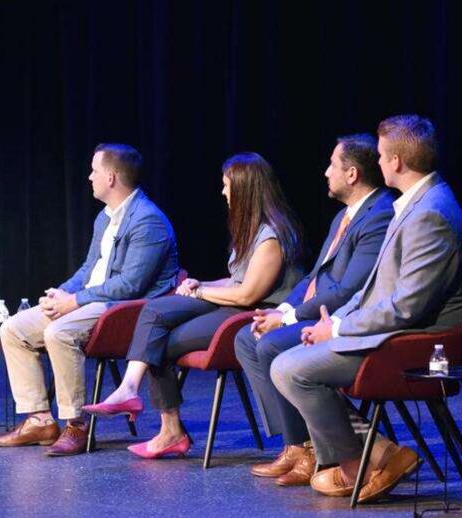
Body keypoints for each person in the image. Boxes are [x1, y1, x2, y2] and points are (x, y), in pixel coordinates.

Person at [271, 115, 462, 504]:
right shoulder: (417, 203)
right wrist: (337, 321)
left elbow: (407, 307)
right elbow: (376, 285)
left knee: (291, 367)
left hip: (419, 343)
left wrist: (339, 331)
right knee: (291, 358)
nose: (377, 161)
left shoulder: (430, 213)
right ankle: (379, 453)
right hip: (395, 330)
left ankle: (357, 464)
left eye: (380, 155)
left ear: (395, 163)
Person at [84, 152, 303, 458]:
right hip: (233, 305)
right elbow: (235, 280)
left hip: (255, 315)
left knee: (160, 342)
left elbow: (247, 296)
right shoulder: (251, 229)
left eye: (227, 186)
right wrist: (202, 284)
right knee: (156, 311)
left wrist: (201, 295)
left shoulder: (271, 237)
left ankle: (165, 427)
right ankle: (141, 401)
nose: (224, 192)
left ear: (245, 189)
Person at [0, 143, 179, 456]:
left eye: (95, 171)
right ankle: (39, 420)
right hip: (93, 301)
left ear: (112, 177)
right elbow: (91, 269)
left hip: (125, 310)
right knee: (14, 328)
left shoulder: (148, 220)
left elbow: (131, 285)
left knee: (59, 332)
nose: (89, 177)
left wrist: (74, 301)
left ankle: (75, 425)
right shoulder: (105, 218)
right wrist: (59, 294)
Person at [234, 134, 395, 486]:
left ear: (351, 174)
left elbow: (349, 289)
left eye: (332, 166)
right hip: (317, 310)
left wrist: (289, 318)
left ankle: (315, 449)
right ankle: (297, 446)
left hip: (344, 317)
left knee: (271, 344)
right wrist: (282, 311)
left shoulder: (379, 216)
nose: (325, 173)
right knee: (247, 338)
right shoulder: (343, 217)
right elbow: (314, 275)